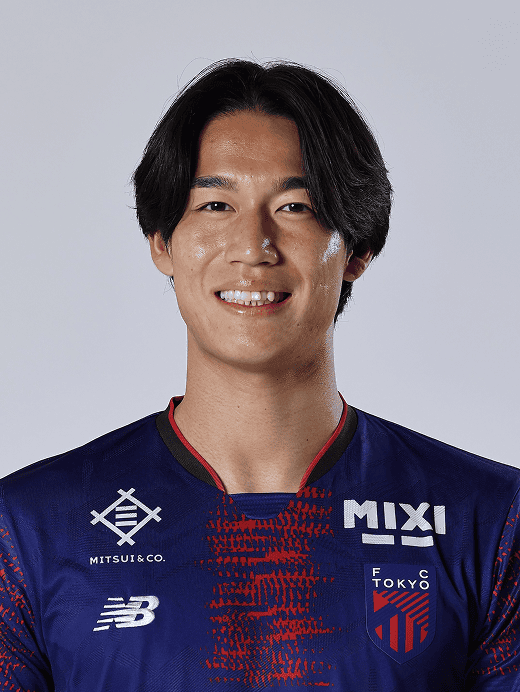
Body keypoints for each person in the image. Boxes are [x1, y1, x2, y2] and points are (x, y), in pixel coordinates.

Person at [0, 59, 518, 691]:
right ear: (162, 242)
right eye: (215, 204)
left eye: (295, 206)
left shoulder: (491, 521)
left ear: (356, 249)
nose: (253, 246)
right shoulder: (28, 531)